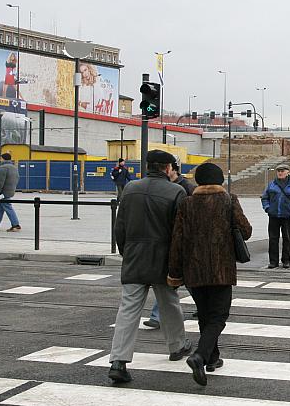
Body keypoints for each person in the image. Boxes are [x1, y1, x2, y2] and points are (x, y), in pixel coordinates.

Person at [108, 150, 192, 384]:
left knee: (128, 309)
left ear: (148, 166)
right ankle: (177, 346)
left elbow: (120, 228)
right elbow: (180, 231)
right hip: (163, 258)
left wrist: (128, 252)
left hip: (135, 257)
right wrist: (179, 262)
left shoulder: (131, 189)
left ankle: (118, 360)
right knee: (169, 303)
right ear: (168, 168)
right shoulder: (177, 191)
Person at [168, 162, 252, 386]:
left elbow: (177, 240)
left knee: (205, 314)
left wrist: (174, 273)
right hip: (220, 269)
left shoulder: (187, 203)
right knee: (218, 316)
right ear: (220, 181)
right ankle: (200, 356)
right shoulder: (229, 200)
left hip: (193, 270)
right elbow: (246, 230)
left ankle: (212, 358)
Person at [145, 157, 198, 329]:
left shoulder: (187, 188)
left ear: (173, 170)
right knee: (172, 280)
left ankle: (158, 315)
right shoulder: (166, 188)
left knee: (183, 280)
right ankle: (157, 315)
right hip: (168, 241)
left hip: (183, 241)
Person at [261, 163, 290, 269]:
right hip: (273, 216)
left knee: (286, 239)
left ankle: (286, 261)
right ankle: (273, 261)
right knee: (273, 239)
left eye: (282, 171)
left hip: (287, 216)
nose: (280, 173)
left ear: (287, 172)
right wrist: (267, 208)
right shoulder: (272, 184)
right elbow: (264, 197)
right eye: (279, 171)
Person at [0, 152, 21, 232]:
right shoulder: (14, 167)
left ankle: (16, 225)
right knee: (1, 208)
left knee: (8, 207)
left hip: (3, 192)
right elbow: (17, 178)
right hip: (11, 190)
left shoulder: (2, 168)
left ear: (3, 158)